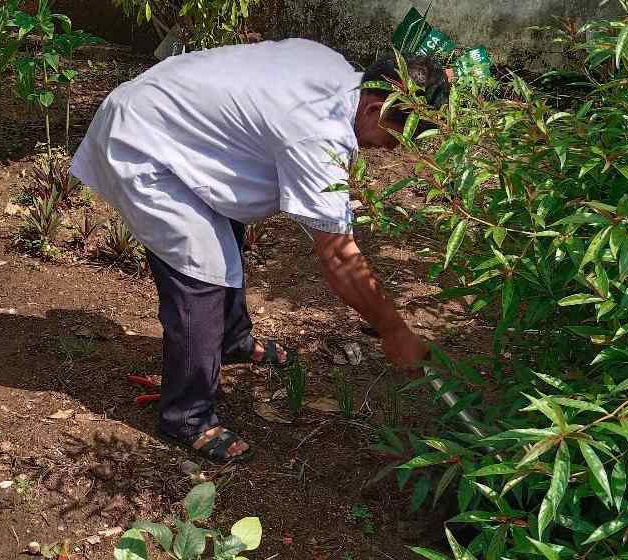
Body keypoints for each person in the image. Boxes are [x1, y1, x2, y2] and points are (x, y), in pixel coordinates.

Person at [71, 40, 448, 464]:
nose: (393, 151)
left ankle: (232, 342)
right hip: (144, 144)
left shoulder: (337, 70)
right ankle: (186, 415)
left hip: (178, 125)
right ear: (373, 110)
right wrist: (395, 329)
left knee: (225, 227)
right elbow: (339, 256)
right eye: (396, 138)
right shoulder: (317, 135)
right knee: (201, 271)